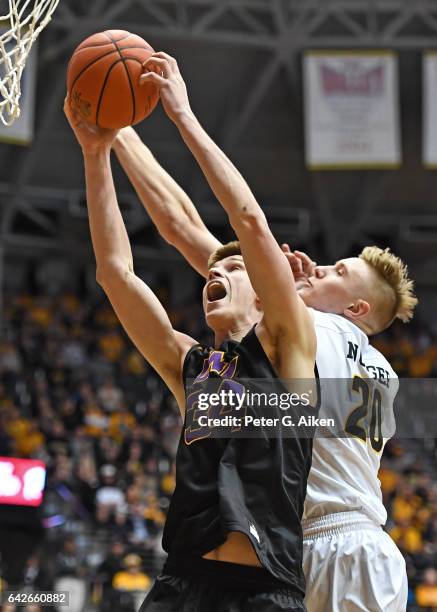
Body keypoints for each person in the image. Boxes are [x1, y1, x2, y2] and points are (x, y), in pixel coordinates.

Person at [111, 59, 418, 612]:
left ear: (356, 307)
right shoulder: (381, 372)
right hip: (365, 543)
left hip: (314, 540)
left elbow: (185, 228)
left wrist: (120, 131)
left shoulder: (304, 329)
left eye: (332, 272)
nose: (315, 267)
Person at [64, 48, 318, 611]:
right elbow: (115, 273)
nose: (218, 272)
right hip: (179, 585)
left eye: (234, 268)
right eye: (214, 268)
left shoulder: (290, 347)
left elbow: (248, 218)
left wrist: (181, 113)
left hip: (264, 591)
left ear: (267, 288)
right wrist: (95, 152)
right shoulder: (194, 368)